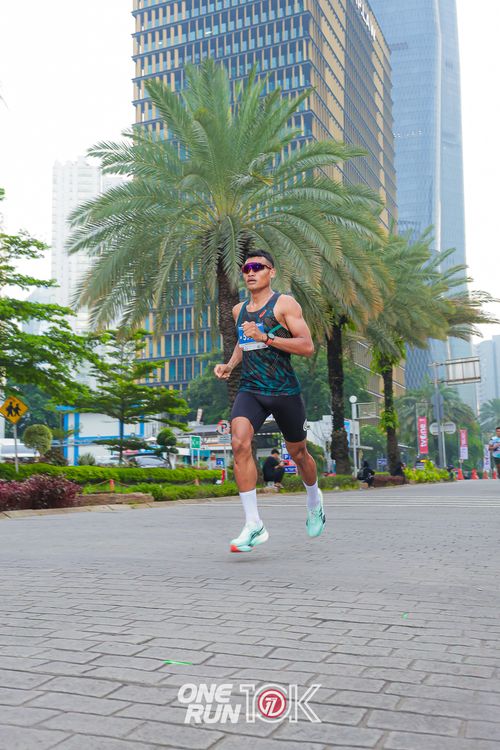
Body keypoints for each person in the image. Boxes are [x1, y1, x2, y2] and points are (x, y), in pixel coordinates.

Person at [214, 250, 325, 552]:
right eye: (246, 268)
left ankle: (314, 501)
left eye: (257, 267)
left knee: (299, 453)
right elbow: (243, 341)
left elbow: (307, 346)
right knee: (239, 443)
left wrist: (266, 338)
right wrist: (230, 365)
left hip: (284, 392)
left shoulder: (285, 304)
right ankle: (254, 524)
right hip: (251, 390)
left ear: (271, 272)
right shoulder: (238, 310)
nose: (250, 272)